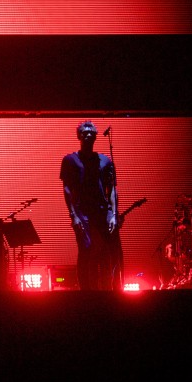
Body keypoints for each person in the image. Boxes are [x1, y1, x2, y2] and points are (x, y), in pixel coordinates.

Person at [60, 120, 119, 290]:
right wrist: (73, 216)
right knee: (86, 250)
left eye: (91, 132)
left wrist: (113, 214)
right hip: (82, 212)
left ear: (95, 136)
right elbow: (67, 189)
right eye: (84, 132)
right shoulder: (70, 160)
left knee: (106, 252)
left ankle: (108, 289)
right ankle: (86, 290)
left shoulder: (105, 161)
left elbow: (112, 189)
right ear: (79, 135)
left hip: (102, 212)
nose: (88, 135)